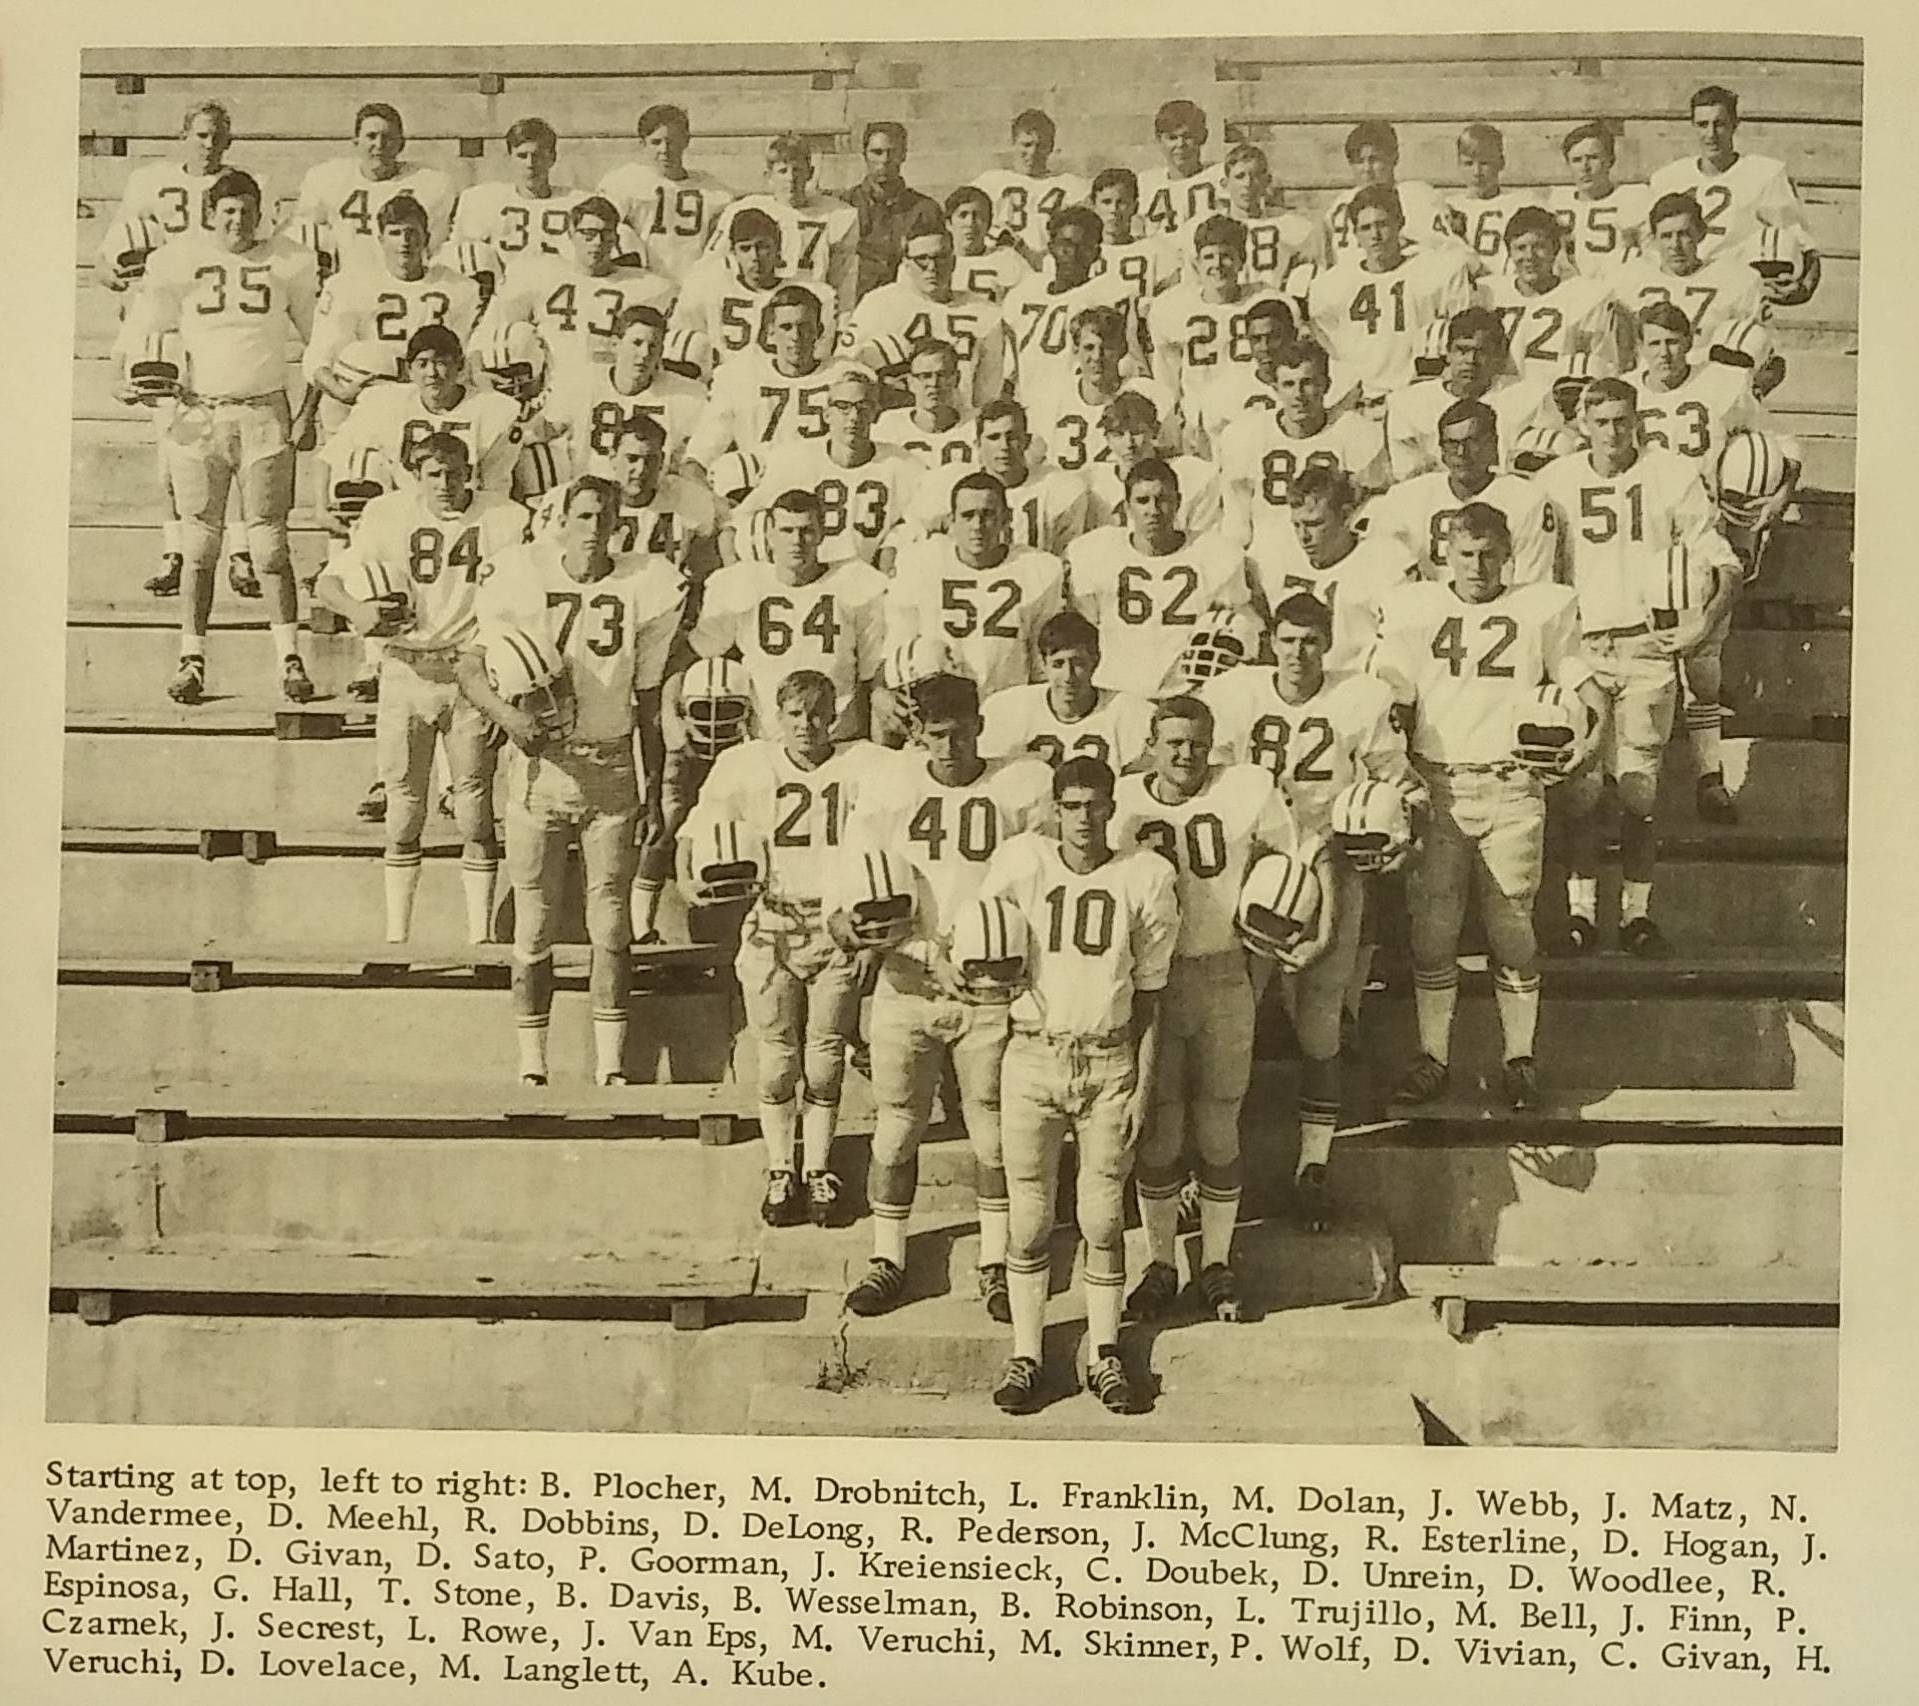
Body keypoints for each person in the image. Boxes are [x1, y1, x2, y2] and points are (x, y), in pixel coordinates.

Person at [1368, 505, 1603, 1110]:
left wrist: (1587, 748)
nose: (1476, 566)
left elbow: (1588, 688)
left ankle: (1519, 1058)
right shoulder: (1416, 609)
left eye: (1488, 554)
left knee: (1511, 928)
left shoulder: (1541, 609)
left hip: (1512, 785)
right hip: (1439, 785)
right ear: (1445, 553)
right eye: (1465, 553)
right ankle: (1434, 1058)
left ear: (1509, 555)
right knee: (1434, 931)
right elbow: (1388, 694)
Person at [835, 673, 1054, 1318]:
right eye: (936, 735)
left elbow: (1040, 891)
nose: (950, 747)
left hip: (988, 990)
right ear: (917, 735)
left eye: (961, 733)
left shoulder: (1019, 788)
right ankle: (888, 1256)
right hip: (908, 984)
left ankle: (993, 1261)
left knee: (992, 1134)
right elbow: (845, 908)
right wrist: (903, 947)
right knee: (897, 1129)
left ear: (981, 727)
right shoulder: (888, 790)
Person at [465, 473, 688, 1088]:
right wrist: (509, 717)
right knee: (534, 922)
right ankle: (531, 1063)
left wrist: (652, 784)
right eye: (583, 516)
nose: (593, 529)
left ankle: (611, 1065)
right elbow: (470, 669)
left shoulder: (645, 584)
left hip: (611, 764)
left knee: (610, 925)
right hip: (541, 765)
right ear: (560, 519)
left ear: (620, 523)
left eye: (604, 517)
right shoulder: (522, 574)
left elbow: (646, 699)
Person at [978, 755, 1180, 1414]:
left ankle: (1103, 1353)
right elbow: (974, 947)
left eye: (1095, 805)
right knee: (1029, 1216)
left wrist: (1144, 1088)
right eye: (1072, 805)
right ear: (1054, 809)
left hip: (1107, 1060)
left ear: (1111, 808)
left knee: (1099, 1216)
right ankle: (1027, 1353)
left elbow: (1150, 998)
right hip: (1033, 1055)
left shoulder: (1142, 877)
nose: (1085, 819)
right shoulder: (1023, 865)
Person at [1203, 592, 1413, 1216]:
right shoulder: (1236, 694)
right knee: (1229, 1031)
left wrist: (1405, 827)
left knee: (1320, 1030)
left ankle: (1314, 1164)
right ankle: (1210, 1166)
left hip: (1331, 873)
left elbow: (1399, 782)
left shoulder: (1359, 698)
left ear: (1329, 644)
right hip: (1251, 872)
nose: (1298, 653)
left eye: (1310, 641)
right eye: (1288, 640)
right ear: (1270, 640)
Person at [1113, 697, 1314, 1318]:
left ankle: (1219, 1262)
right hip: (1154, 981)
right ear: (1150, 742)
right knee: (1160, 1129)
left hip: (1224, 969)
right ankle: (1160, 1262)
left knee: (1219, 1123)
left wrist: (1270, 958)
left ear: (1212, 742)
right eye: (1172, 741)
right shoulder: (1122, 803)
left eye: (1197, 742)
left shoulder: (1246, 788)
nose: (1185, 753)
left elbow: (1294, 862)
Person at [1537, 377, 1741, 951]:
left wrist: (1703, 623)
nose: (1612, 432)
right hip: (1581, 651)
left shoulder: (1671, 475)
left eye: (1622, 420)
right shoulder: (1554, 482)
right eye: (1601, 421)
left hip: (1646, 648)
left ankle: (1634, 914)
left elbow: (1723, 562)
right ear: (1582, 424)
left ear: (1638, 420)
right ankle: (1579, 912)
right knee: (1582, 790)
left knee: (1637, 794)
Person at [313, 433, 530, 944]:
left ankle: (478, 934)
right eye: (433, 474)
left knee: (475, 808)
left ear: (470, 471)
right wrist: (359, 611)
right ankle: (398, 933)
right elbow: (329, 582)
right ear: (415, 475)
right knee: (404, 806)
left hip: (467, 674)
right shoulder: (389, 515)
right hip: (405, 668)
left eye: (454, 472)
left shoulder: (505, 518)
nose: (446, 484)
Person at [120, 168, 320, 707]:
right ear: (211, 214)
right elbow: (147, 333)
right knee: (200, 546)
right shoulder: (176, 259)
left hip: (262, 413)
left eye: (247, 209)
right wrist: (141, 384)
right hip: (199, 414)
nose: (238, 220)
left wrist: (308, 412)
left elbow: (320, 344)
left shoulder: (290, 260)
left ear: (262, 212)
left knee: (271, 546)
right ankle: (192, 659)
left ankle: (290, 658)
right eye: (228, 210)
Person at [684, 670, 876, 1225]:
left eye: (817, 714)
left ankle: (817, 1167)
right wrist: (683, 876)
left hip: (834, 922)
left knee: (824, 1056)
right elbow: (699, 826)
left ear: (834, 715)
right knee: (776, 1059)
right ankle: (779, 1167)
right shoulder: (747, 763)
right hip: (772, 917)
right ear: (777, 715)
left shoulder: (861, 763)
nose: (806, 725)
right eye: (794, 714)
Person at [96, 98, 254, 600]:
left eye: (216, 136)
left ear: (229, 140)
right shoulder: (149, 181)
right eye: (200, 134)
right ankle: (175, 551)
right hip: (161, 320)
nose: (208, 144)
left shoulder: (237, 189)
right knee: (172, 448)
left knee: (232, 446)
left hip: (213, 320)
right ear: (183, 135)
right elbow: (107, 257)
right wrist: (120, 283)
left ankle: (242, 553)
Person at [690, 487, 886, 737]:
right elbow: (696, 652)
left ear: (822, 534)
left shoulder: (854, 584)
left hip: (838, 740)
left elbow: (872, 677)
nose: (796, 540)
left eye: (806, 531)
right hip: (768, 741)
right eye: (786, 530)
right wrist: (670, 713)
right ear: (770, 535)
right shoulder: (744, 584)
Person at [1066, 458, 1254, 695]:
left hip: (1191, 692)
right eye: (1142, 501)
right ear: (1127, 507)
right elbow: (1086, 626)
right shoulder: (1097, 551)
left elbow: (1238, 625)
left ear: (1178, 503)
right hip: (1116, 691)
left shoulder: (1214, 553)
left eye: (1162, 500)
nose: (1153, 510)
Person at [884, 471, 1068, 711]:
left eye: (988, 515)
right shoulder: (921, 562)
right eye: (968, 515)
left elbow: (1041, 664)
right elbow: (896, 648)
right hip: (938, 713)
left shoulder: (1038, 569)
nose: (977, 526)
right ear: (952, 520)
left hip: (1009, 708)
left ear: (1006, 518)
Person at [303, 192, 484, 434]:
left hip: (428, 402)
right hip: (361, 400)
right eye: (395, 233)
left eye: (412, 232)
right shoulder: (349, 285)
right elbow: (318, 358)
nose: (405, 241)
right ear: (380, 239)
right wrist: (341, 392)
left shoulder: (459, 288)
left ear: (427, 238)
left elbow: (465, 355)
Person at [1217, 336, 1390, 577]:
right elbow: (1237, 520)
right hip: (1267, 562)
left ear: (1326, 385)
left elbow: (1375, 506)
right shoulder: (1246, 434)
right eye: (1288, 384)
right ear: (1275, 388)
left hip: (1335, 562)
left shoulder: (1356, 433)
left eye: (1307, 382)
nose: (1298, 394)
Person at [478, 197, 677, 401]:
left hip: (608, 394)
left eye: (605, 234)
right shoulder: (540, 274)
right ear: (571, 234)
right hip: (549, 391)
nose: (597, 243)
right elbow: (492, 329)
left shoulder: (646, 287)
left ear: (615, 238)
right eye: (588, 234)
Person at [724, 367, 922, 573]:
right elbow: (737, 522)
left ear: (875, 413)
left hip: (867, 579)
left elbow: (922, 525)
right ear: (827, 414)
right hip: (806, 578)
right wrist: (734, 570)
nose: (854, 416)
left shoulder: (903, 465)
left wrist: (893, 547)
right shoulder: (796, 459)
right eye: (843, 406)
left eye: (863, 406)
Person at [1306, 186, 1477, 402]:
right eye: (1366, 228)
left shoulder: (1436, 271)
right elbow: (1328, 342)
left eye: (1382, 224)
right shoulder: (1332, 284)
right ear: (1356, 234)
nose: (1375, 236)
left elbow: (1465, 329)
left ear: (1400, 223)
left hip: (1417, 395)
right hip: (1359, 400)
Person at [1369, 398, 1558, 587]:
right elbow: (1385, 573)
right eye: (1452, 444)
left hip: (1501, 608)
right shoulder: (1405, 497)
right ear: (1441, 450)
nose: (1461, 452)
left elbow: (1531, 584)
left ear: (1493, 444)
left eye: (1472, 442)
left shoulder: (1526, 499)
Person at [1649, 84, 1821, 290]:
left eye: (1719, 124)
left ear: (1735, 124)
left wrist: (1805, 288)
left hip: (1738, 286)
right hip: (1681, 286)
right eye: (1703, 125)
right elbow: (1650, 246)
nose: (1711, 134)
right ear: (1693, 126)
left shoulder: (1764, 173)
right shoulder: (1669, 177)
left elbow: (1803, 243)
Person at [1245, 463, 1416, 670]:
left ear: (1345, 516)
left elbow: (1400, 641)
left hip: (1355, 683)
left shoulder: (1383, 561)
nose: (1303, 537)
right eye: (1297, 525)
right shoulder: (1275, 554)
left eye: (1315, 524)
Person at [839, 216, 1007, 409]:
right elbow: (845, 367)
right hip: (893, 422)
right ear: (906, 263)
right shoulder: (878, 303)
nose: (932, 267)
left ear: (953, 261)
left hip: (959, 422)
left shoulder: (986, 313)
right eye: (922, 259)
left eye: (940, 257)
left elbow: (988, 392)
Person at [681, 284, 844, 479]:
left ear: (819, 331)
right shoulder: (740, 377)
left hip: (819, 481)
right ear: (771, 333)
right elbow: (698, 458)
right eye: (786, 327)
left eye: (804, 327)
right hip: (755, 483)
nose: (795, 336)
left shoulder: (842, 376)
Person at [1384, 307, 1549, 483]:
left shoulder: (1529, 399)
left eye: (1482, 351)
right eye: (1462, 350)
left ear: (1499, 354)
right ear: (1448, 352)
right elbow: (1409, 478)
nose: (1470, 361)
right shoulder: (1408, 404)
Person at [670, 207, 838, 377]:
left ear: (778, 248)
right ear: (733, 253)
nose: (755, 256)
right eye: (745, 248)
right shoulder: (709, 287)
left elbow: (817, 354)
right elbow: (681, 338)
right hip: (723, 382)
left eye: (763, 246)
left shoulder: (810, 295)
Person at [980, 608, 1154, 772]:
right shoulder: (1008, 708)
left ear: (1095, 661)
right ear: (1043, 664)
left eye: (1078, 663)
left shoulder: (1130, 713)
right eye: (1058, 664)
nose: (1068, 676)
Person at [294, 102, 455, 279]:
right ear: (356, 141)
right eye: (371, 136)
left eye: (388, 137)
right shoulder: (328, 178)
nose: (379, 144)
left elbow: (438, 250)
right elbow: (305, 237)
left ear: (401, 144)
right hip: (347, 285)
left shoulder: (429, 183)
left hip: (405, 288)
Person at [541, 303, 707, 473]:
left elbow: (710, 445)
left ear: (661, 351)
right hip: (589, 489)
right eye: (637, 343)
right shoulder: (582, 382)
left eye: (653, 346)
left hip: (651, 492)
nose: (644, 354)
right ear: (615, 344)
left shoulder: (687, 394)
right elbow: (547, 430)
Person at [1001, 205, 1138, 406]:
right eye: (1065, 244)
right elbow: (1011, 369)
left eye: (1083, 246)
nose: (1072, 253)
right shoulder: (1023, 294)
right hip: (1031, 406)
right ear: (1051, 247)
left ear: (1096, 252)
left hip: (1079, 409)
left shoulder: (1106, 293)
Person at [1484, 206, 1630, 389]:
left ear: (1555, 249)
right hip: (1500, 396)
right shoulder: (1489, 293)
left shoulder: (1582, 295)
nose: (1529, 256)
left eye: (1539, 247)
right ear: (1510, 252)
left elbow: (1601, 364)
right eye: (1521, 248)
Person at [1608, 192, 1768, 357]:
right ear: (1653, 238)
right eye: (1666, 236)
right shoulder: (1629, 279)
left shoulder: (1734, 279)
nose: (1675, 245)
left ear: (1701, 233)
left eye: (1684, 234)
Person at [711, 133, 860, 309]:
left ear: (810, 173)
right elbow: (714, 263)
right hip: (755, 302)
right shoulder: (744, 209)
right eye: (783, 171)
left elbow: (844, 277)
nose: (791, 178)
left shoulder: (838, 214)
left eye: (797, 170)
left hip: (811, 304)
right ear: (769, 175)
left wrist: (843, 316)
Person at [1023, 305, 1176, 476]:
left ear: (1122, 349)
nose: (1097, 357)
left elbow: (1171, 456)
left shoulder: (1149, 394)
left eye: (1107, 348)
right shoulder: (1051, 398)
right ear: (1075, 349)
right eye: (1089, 347)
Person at [598, 102, 736, 286]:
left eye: (672, 141)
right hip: (641, 281)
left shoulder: (713, 190)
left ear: (686, 141)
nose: (664, 149)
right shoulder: (625, 182)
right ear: (642, 144)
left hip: (693, 281)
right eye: (656, 142)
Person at [1147, 214, 1263, 428]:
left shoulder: (1265, 301)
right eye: (1209, 257)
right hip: (1197, 420)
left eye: (1226, 256)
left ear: (1242, 261)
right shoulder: (1172, 307)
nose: (1218, 264)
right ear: (1197, 263)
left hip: (1251, 414)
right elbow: (1167, 375)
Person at [448, 117, 591, 289]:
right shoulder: (486, 199)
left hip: (563, 289)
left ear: (552, 158)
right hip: (504, 291)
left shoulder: (578, 201)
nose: (530, 164)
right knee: (470, 250)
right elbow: (459, 252)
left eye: (537, 155)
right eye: (522, 156)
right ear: (510, 158)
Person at [1175, 142, 1324, 297]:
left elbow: (1314, 269)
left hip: (1270, 307)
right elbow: (1192, 280)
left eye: (1255, 176)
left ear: (1267, 181)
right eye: (1240, 177)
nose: (1247, 184)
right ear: (1225, 184)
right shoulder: (1204, 226)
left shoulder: (1291, 225)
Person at [1079, 391, 1220, 533]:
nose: (1129, 443)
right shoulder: (1093, 482)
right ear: (1107, 440)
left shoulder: (1191, 474)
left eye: (1136, 432)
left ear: (1154, 431)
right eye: (1119, 434)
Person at [972, 109, 1089, 265]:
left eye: (1040, 146)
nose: (1033, 152)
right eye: (1026, 145)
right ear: (1013, 143)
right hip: (997, 264)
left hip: (1049, 267)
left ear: (1051, 147)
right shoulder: (990, 182)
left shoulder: (1070, 185)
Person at [845, 121, 943, 302]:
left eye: (892, 152)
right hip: (854, 302)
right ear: (864, 155)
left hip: (906, 303)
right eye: (877, 152)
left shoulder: (925, 209)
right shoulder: (845, 205)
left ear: (904, 154)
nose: (884, 160)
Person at [1324, 120, 1453, 258]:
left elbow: (1445, 247)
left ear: (1394, 158)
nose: (1367, 169)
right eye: (1359, 161)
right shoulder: (1342, 204)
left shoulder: (1415, 195)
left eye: (1375, 160)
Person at [1443, 122, 1553, 267]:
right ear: (1458, 164)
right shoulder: (1448, 207)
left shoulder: (1522, 202)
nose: (1477, 172)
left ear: (1501, 163)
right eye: (1468, 164)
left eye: (1485, 163)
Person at [1551, 122, 1652, 279]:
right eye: (1577, 160)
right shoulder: (1557, 202)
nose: (1585, 167)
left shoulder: (1632, 199)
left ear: (1610, 160)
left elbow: (1651, 255)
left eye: (1593, 158)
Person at [872, 337, 977, 470]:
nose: (933, 384)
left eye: (942, 375)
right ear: (911, 382)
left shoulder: (974, 425)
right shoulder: (890, 425)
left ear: (956, 378)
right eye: (925, 376)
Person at [1087, 167, 1182, 305]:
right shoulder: (1083, 253)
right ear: (1093, 205)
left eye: (1121, 203)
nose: (1113, 210)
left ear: (1135, 206)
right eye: (1106, 202)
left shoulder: (1156, 250)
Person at [1137, 99, 1224, 237]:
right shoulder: (1146, 182)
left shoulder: (1221, 175)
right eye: (1172, 138)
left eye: (1188, 136)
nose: (1180, 144)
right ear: (1159, 140)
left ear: (1203, 136)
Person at [945, 185, 1034, 305]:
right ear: (948, 223)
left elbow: (1031, 297)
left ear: (989, 223)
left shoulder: (1007, 258)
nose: (970, 223)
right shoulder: (935, 263)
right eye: (963, 215)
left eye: (978, 216)